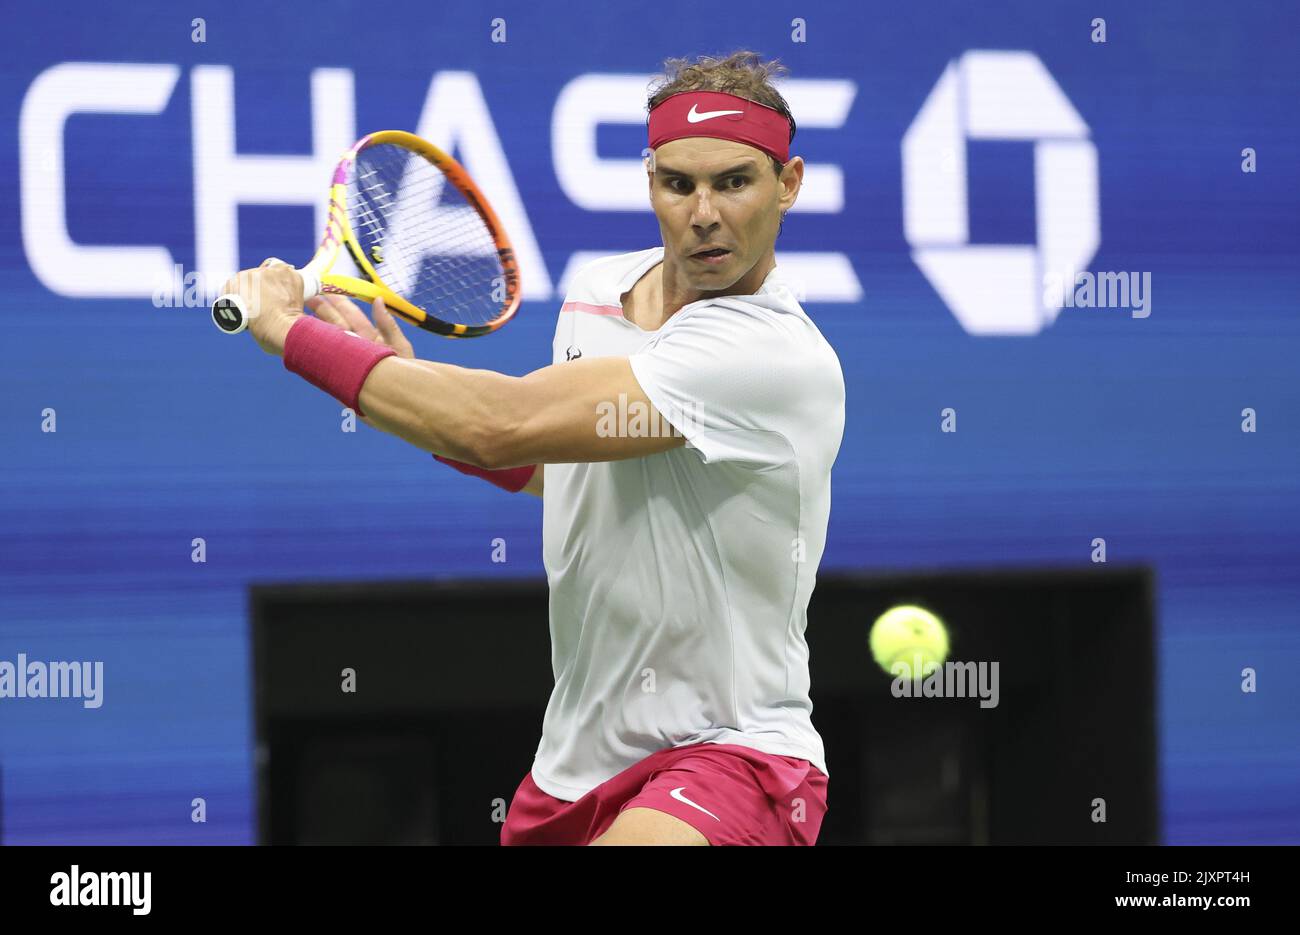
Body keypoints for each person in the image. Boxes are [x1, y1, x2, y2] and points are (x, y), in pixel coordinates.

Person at [220, 50, 845, 845]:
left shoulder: (772, 356)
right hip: (571, 768)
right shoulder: (596, 290)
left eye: (735, 182)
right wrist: (407, 389)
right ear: (650, 178)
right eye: (679, 183)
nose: (704, 212)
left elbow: (497, 421)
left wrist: (285, 330)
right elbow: (556, 469)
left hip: (731, 754)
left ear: (788, 183)